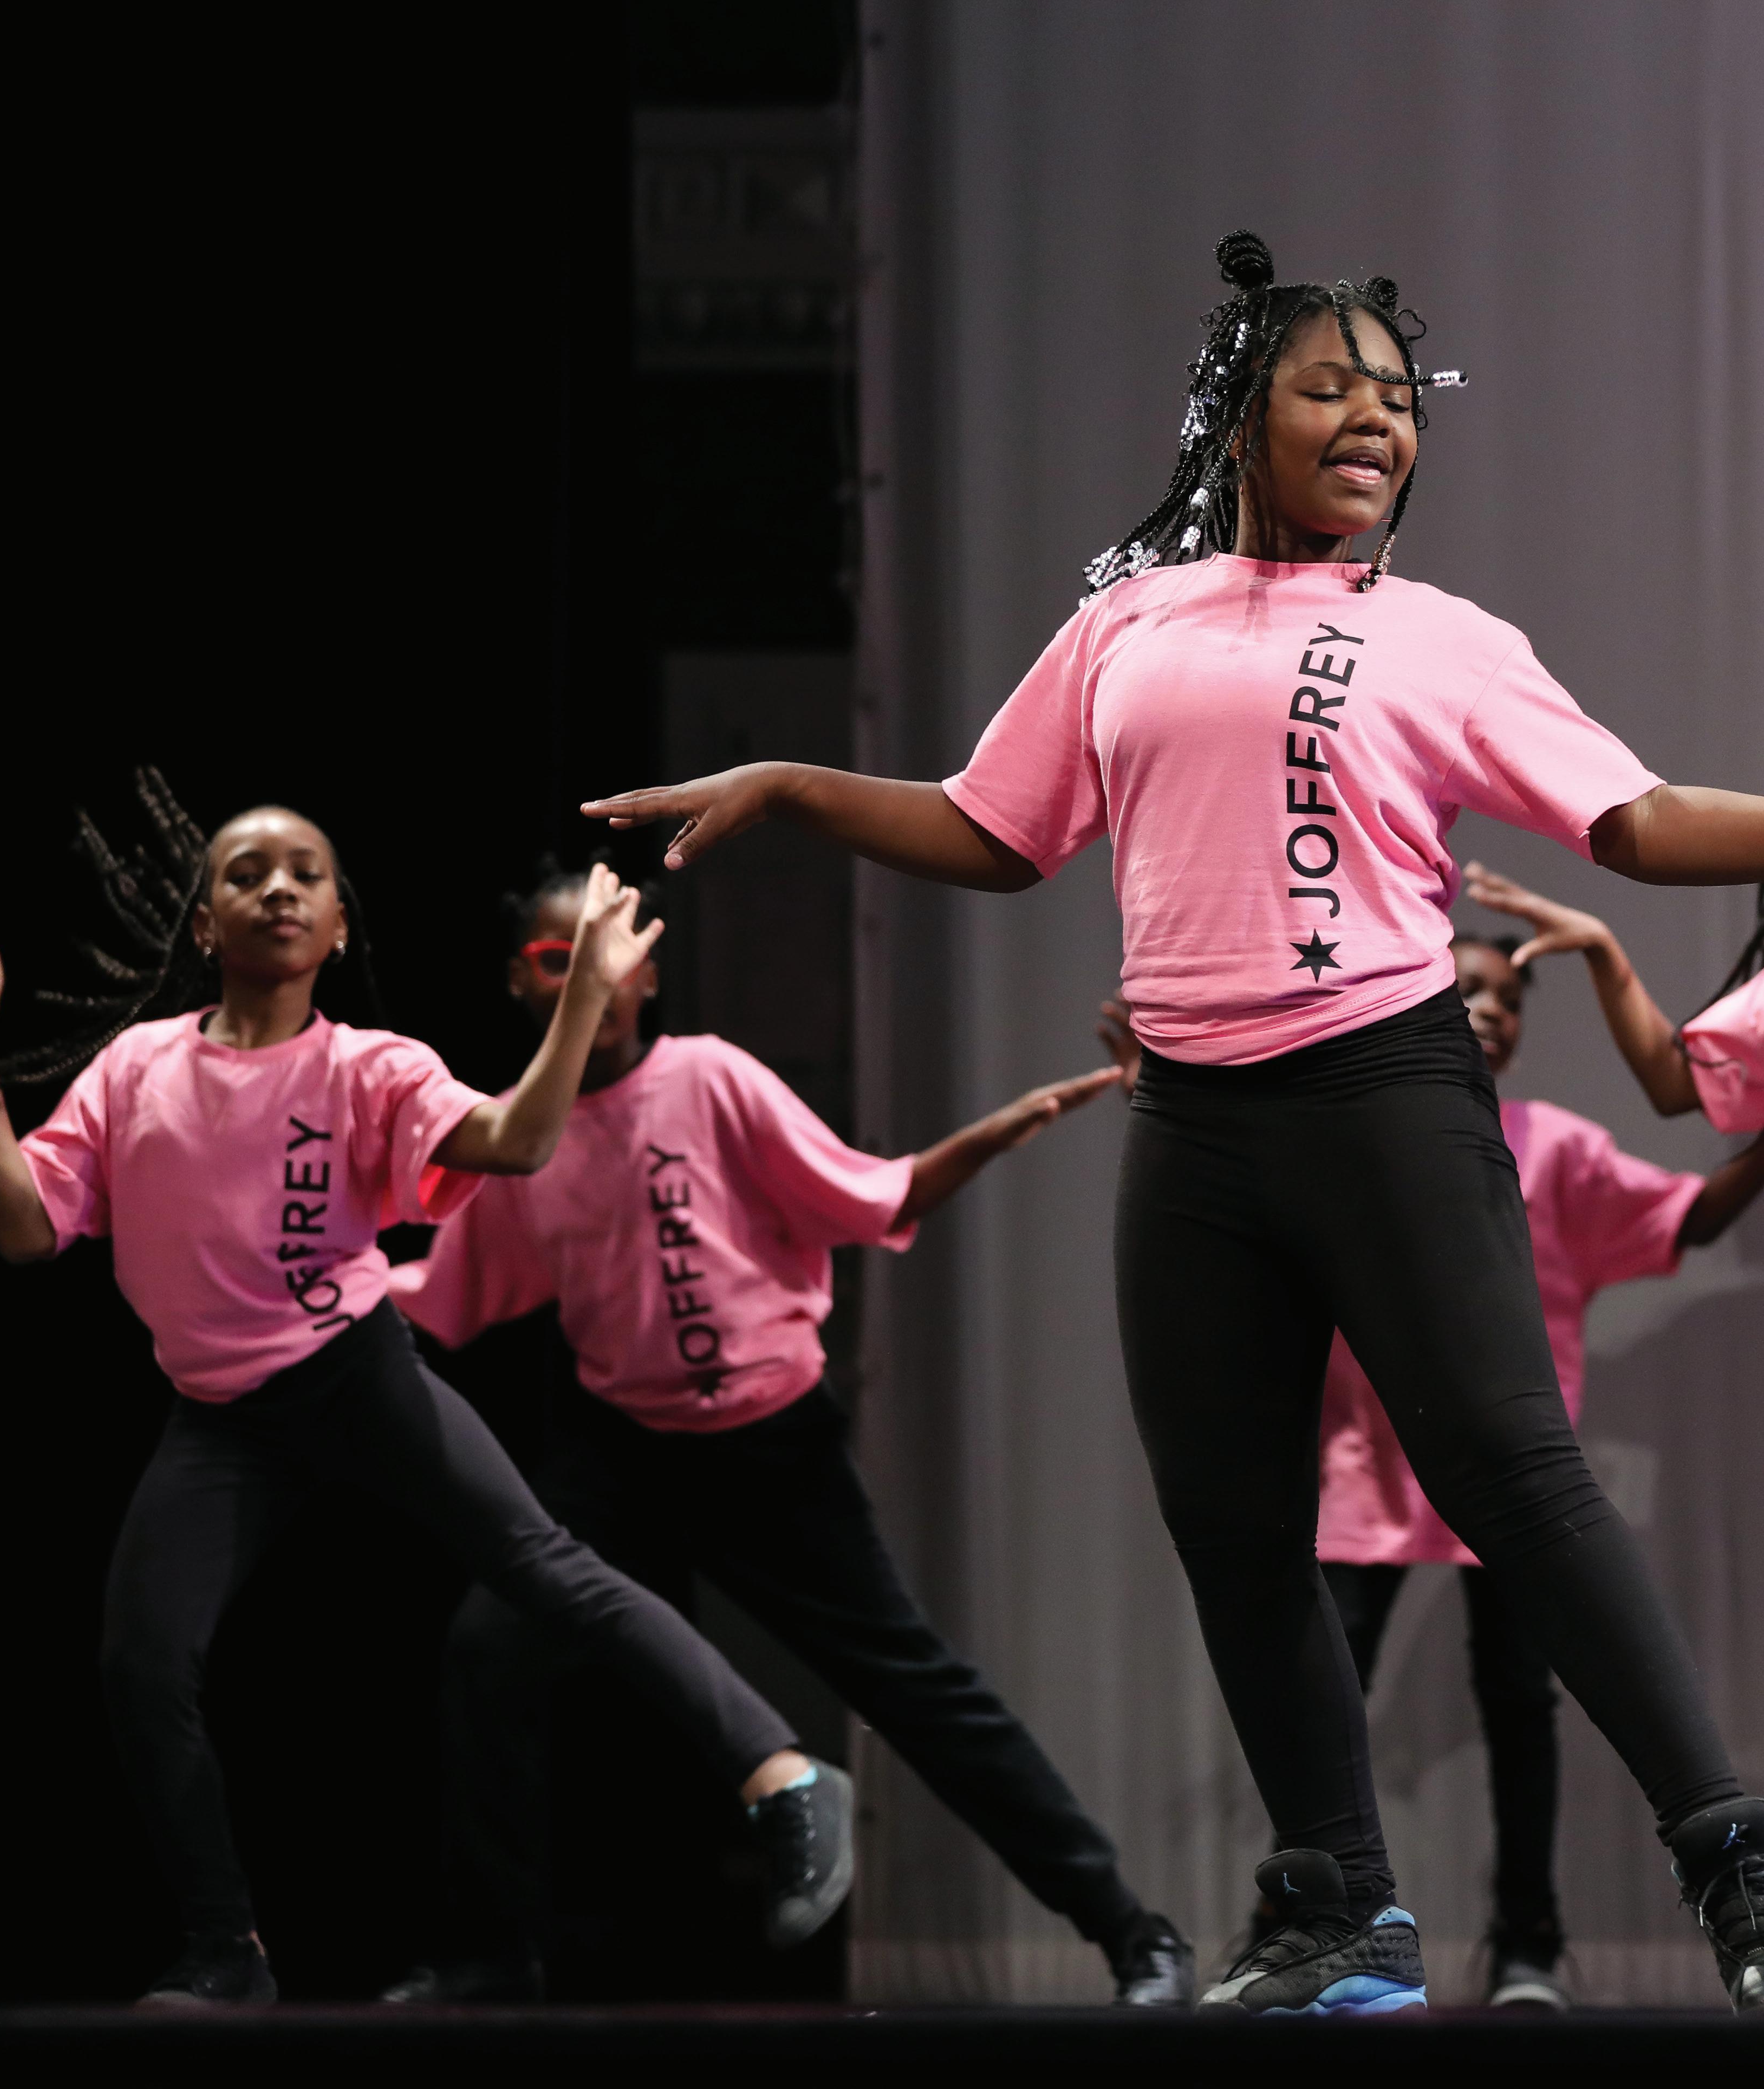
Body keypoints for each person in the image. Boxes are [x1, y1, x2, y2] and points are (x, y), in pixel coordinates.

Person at [581, 230, 1764, 2015]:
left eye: (1395, 398)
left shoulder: (1437, 639)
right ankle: (1338, 1912)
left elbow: (1639, 821)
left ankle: (1730, 1857)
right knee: (1230, 1521)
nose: (1373, 419)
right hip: (1195, 1132)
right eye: (1327, 386)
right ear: (1234, 420)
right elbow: (995, 829)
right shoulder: (1123, 624)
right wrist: (794, 784)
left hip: (1381, 1094)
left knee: (1513, 1479)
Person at [0, 776, 850, 2006]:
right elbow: (24, 1230)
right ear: (204, 925)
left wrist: (584, 996)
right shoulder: (135, 1070)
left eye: (305, 875)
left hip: (352, 1375)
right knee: (140, 1664)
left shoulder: (370, 1069)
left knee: (544, 1568)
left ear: (336, 928)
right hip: (220, 1419)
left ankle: (783, 1777)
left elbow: (518, 1143)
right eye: (247, 874)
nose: (277, 889)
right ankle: (225, 1952)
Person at [379, 855, 1195, 2007]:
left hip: (771, 1448)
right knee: (487, 1648)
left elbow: (871, 1195)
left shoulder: (710, 1077)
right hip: (624, 1453)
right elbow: (446, 1292)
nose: (585, 980)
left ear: (644, 974)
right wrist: (298, 1279)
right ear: (521, 981)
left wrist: (995, 1133)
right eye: (557, 961)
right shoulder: (522, 1133)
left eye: (605, 957)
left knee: (916, 1691)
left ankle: (1133, 1933)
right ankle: (491, 1960)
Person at [1098, 911, 1762, 2008]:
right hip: (1368, 1483)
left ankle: (1527, 1945)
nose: (1489, 1009)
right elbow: (1257, 1226)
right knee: (1320, 1676)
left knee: (1517, 1708)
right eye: (1469, 988)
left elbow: (1682, 1215)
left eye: (1508, 996)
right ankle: (1317, 1919)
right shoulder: (1334, 1127)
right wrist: (1189, 1118)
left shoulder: (1547, 1146)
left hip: (1498, 1489)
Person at [1464, 866, 1764, 1137]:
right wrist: (1600, 944)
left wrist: (1600, 944)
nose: (1492, 1011)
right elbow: (1678, 1083)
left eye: (1512, 1003)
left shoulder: (1548, 1139)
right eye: (1467, 991)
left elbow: (1679, 1084)